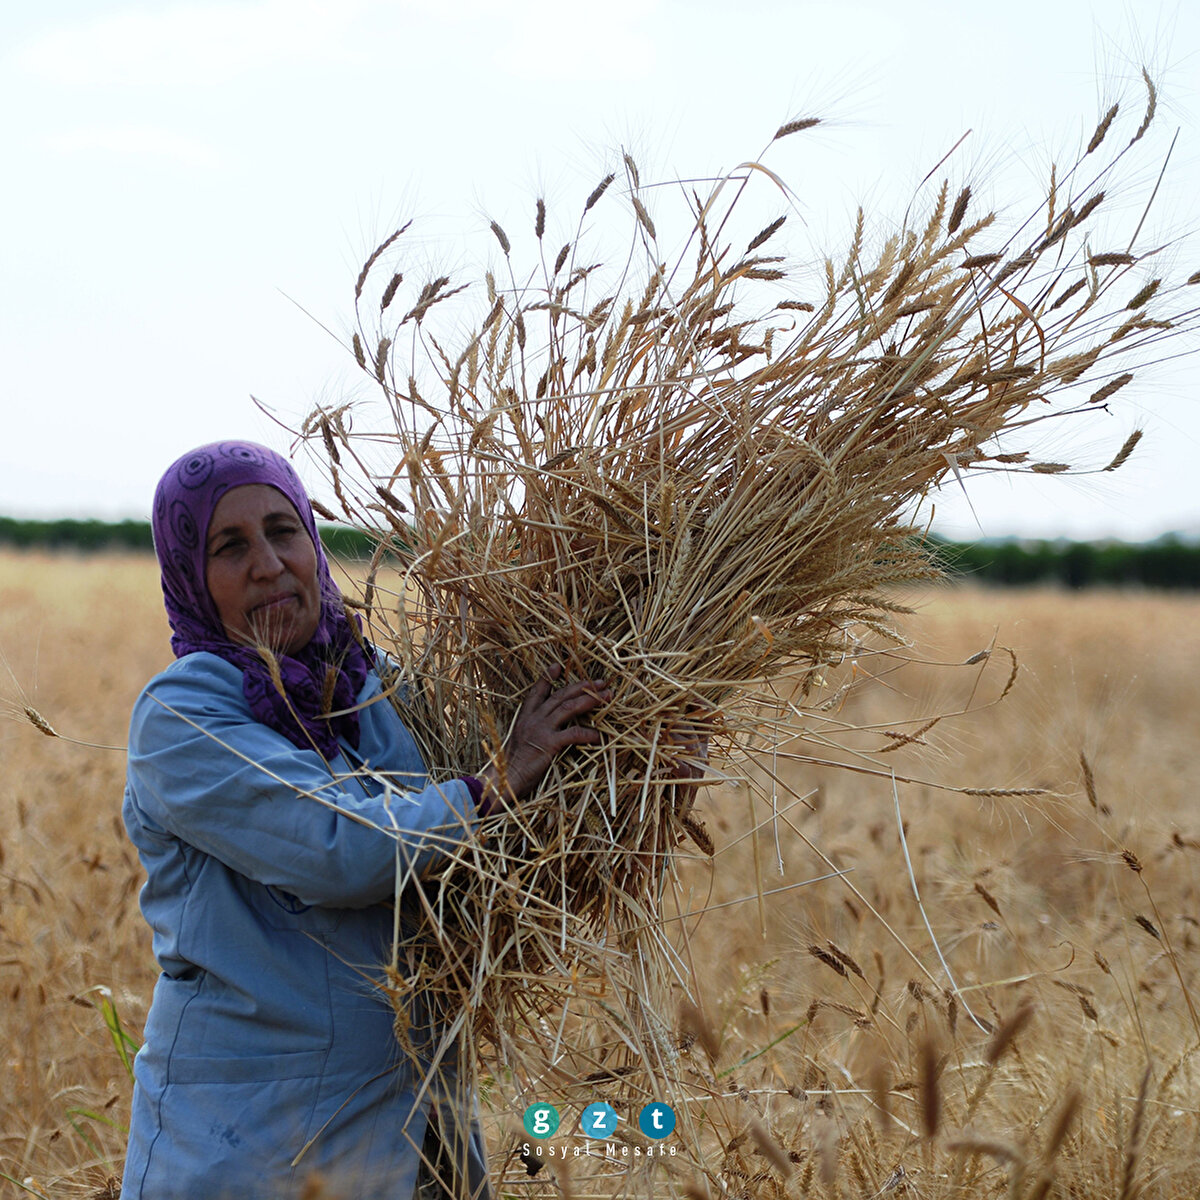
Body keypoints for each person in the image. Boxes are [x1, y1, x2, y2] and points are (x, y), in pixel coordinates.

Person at [121, 440, 610, 1199]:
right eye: (229, 545)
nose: (269, 563)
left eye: (284, 531)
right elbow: (337, 848)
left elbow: (519, 835)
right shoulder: (184, 717)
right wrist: (491, 788)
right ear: (189, 574)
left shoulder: (374, 684)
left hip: (417, 1126)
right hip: (257, 1146)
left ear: (313, 543)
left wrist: (630, 755)